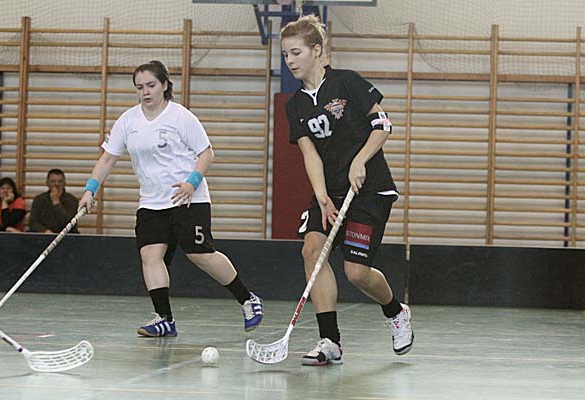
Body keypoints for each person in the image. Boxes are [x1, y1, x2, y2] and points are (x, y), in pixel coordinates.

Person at [78, 60, 263, 337]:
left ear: (164, 85)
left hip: (187, 199)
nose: (145, 92)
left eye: (151, 85)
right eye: (139, 87)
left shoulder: (180, 117)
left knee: (200, 255)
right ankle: (164, 319)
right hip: (151, 202)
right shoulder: (128, 121)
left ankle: (248, 299)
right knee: (150, 255)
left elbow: (206, 153)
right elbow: (107, 159)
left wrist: (191, 183)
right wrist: (90, 189)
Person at [281, 15, 414, 366]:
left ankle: (395, 311)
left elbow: (382, 125)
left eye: (296, 52)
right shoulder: (295, 105)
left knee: (356, 272)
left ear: (317, 50)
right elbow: (310, 154)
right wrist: (321, 196)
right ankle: (330, 341)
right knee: (312, 250)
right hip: (332, 191)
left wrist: (360, 160)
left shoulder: (347, 82)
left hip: (368, 191)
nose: (290, 60)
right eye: (286, 54)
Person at [29, 168, 79, 233]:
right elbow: (33, 222)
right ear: (47, 183)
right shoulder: (39, 199)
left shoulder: (72, 200)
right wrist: (45, 231)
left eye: (60, 181)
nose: (56, 184)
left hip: (66, 235)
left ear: (64, 184)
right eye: (53, 181)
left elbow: (70, 224)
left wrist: (56, 203)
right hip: (45, 234)